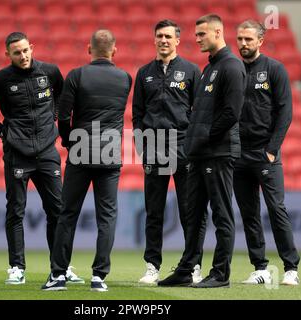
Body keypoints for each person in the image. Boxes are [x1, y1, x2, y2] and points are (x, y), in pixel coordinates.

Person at [0, 32, 83, 285]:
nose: (23, 56)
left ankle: (61, 267)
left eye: (26, 50)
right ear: (8, 54)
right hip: (17, 153)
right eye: (17, 52)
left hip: (47, 152)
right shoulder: (1, 79)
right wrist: (1, 131)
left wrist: (55, 119)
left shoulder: (50, 71)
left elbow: (62, 96)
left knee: (57, 210)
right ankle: (16, 267)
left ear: (32, 48)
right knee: (16, 210)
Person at [158, 14, 246, 288]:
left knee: (221, 214)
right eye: (196, 35)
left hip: (217, 153)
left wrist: (205, 137)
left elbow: (232, 113)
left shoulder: (231, 66)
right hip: (197, 154)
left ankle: (220, 273)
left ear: (218, 32)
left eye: (201, 34)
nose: (196, 39)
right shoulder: (209, 68)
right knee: (192, 214)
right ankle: (187, 268)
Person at [42, 29, 132, 292]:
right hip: (110, 153)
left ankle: (58, 275)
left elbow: (63, 116)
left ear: (88, 49)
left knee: (67, 214)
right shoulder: (125, 78)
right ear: (114, 51)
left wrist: (70, 141)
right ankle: (99, 277)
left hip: (81, 151)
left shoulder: (76, 75)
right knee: (107, 217)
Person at [132, 19, 205, 285]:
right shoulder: (144, 73)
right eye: (159, 36)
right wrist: (142, 145)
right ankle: (153, 266)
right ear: (154, 40)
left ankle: (193, 265)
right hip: (154, 149)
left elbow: (200, 112)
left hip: (183, 148)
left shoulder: (191, 71)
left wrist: (194, 146)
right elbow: (137, 114)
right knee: (154, 211)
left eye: (168, 36)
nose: (163, 40)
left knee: (191, 211)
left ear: (177, 40)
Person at [234, 20, 300, 286]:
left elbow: (285, 112)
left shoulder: (274, 69)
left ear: (260, 41)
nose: (243, 44)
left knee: (276, 209)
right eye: (240, 39)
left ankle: (291, 268)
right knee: (248, 213)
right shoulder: (232, 69)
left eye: (248, 39)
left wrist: (272, 149)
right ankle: (260, 267)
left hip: (265, 153)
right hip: (238, 155)